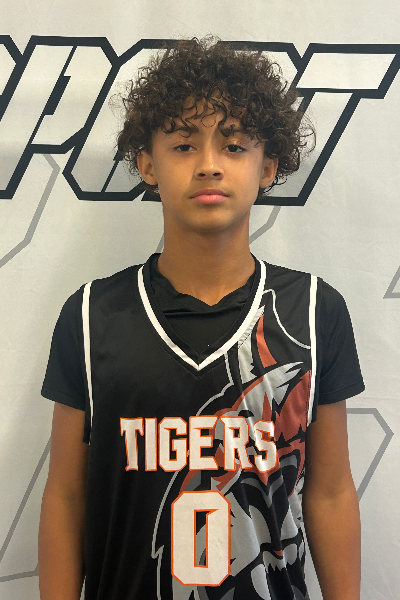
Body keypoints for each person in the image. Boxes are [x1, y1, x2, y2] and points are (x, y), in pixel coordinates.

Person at [38, 35, 364, 600]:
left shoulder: (314, 311)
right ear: (147, 164)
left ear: (268, 167)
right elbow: (66, 496)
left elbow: (331, 491)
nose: (210, 165)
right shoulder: (91, 316)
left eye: (234, 146)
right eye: (184, 145)